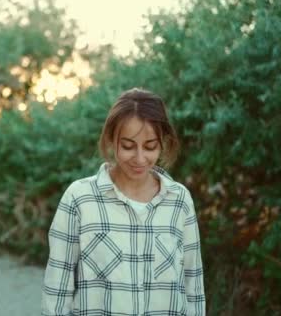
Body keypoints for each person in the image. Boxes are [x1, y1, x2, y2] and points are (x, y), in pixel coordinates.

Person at [42, 87, 205, 315]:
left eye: (150, 147)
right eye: (128, 146)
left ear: (163, 143)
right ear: (111, 139)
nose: (139, 158)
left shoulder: (179, 201)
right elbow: (57, 289)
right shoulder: (79, 198)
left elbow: (193, 286)